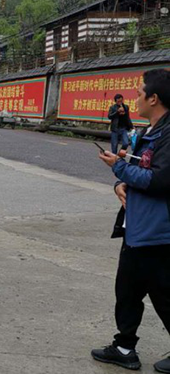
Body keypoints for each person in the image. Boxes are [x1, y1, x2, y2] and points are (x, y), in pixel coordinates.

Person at [93, 69, 170, 372]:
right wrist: (120, 183)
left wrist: (119, 169)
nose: (135, 97)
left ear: (154, 98)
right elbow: (139, 172)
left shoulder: (168, 134)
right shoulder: (150, 132)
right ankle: (125, 347)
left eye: (140, 92)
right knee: (126, 290)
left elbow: (160, 180)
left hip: (157, 231)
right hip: (136, 227)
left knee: (164, 295)